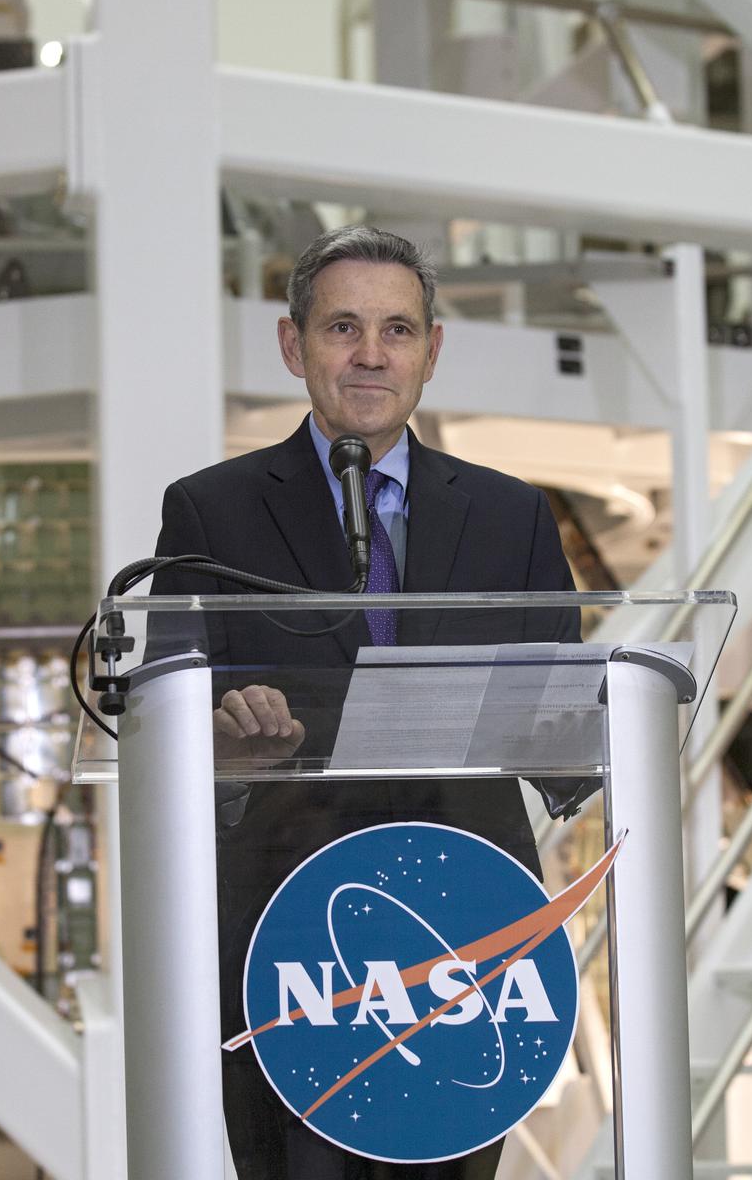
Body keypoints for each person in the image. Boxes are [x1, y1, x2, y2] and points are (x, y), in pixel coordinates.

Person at [152, 225, 584, 1180]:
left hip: (467, 930)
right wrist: (225, 746)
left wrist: (584, 730)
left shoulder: (511, 513)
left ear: (431, 351)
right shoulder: (210, 511)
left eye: (396, 329)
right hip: (287, 925)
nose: (369, 354)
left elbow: (560, 716)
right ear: (291, 344)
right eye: (342, 326)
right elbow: (162, 716)